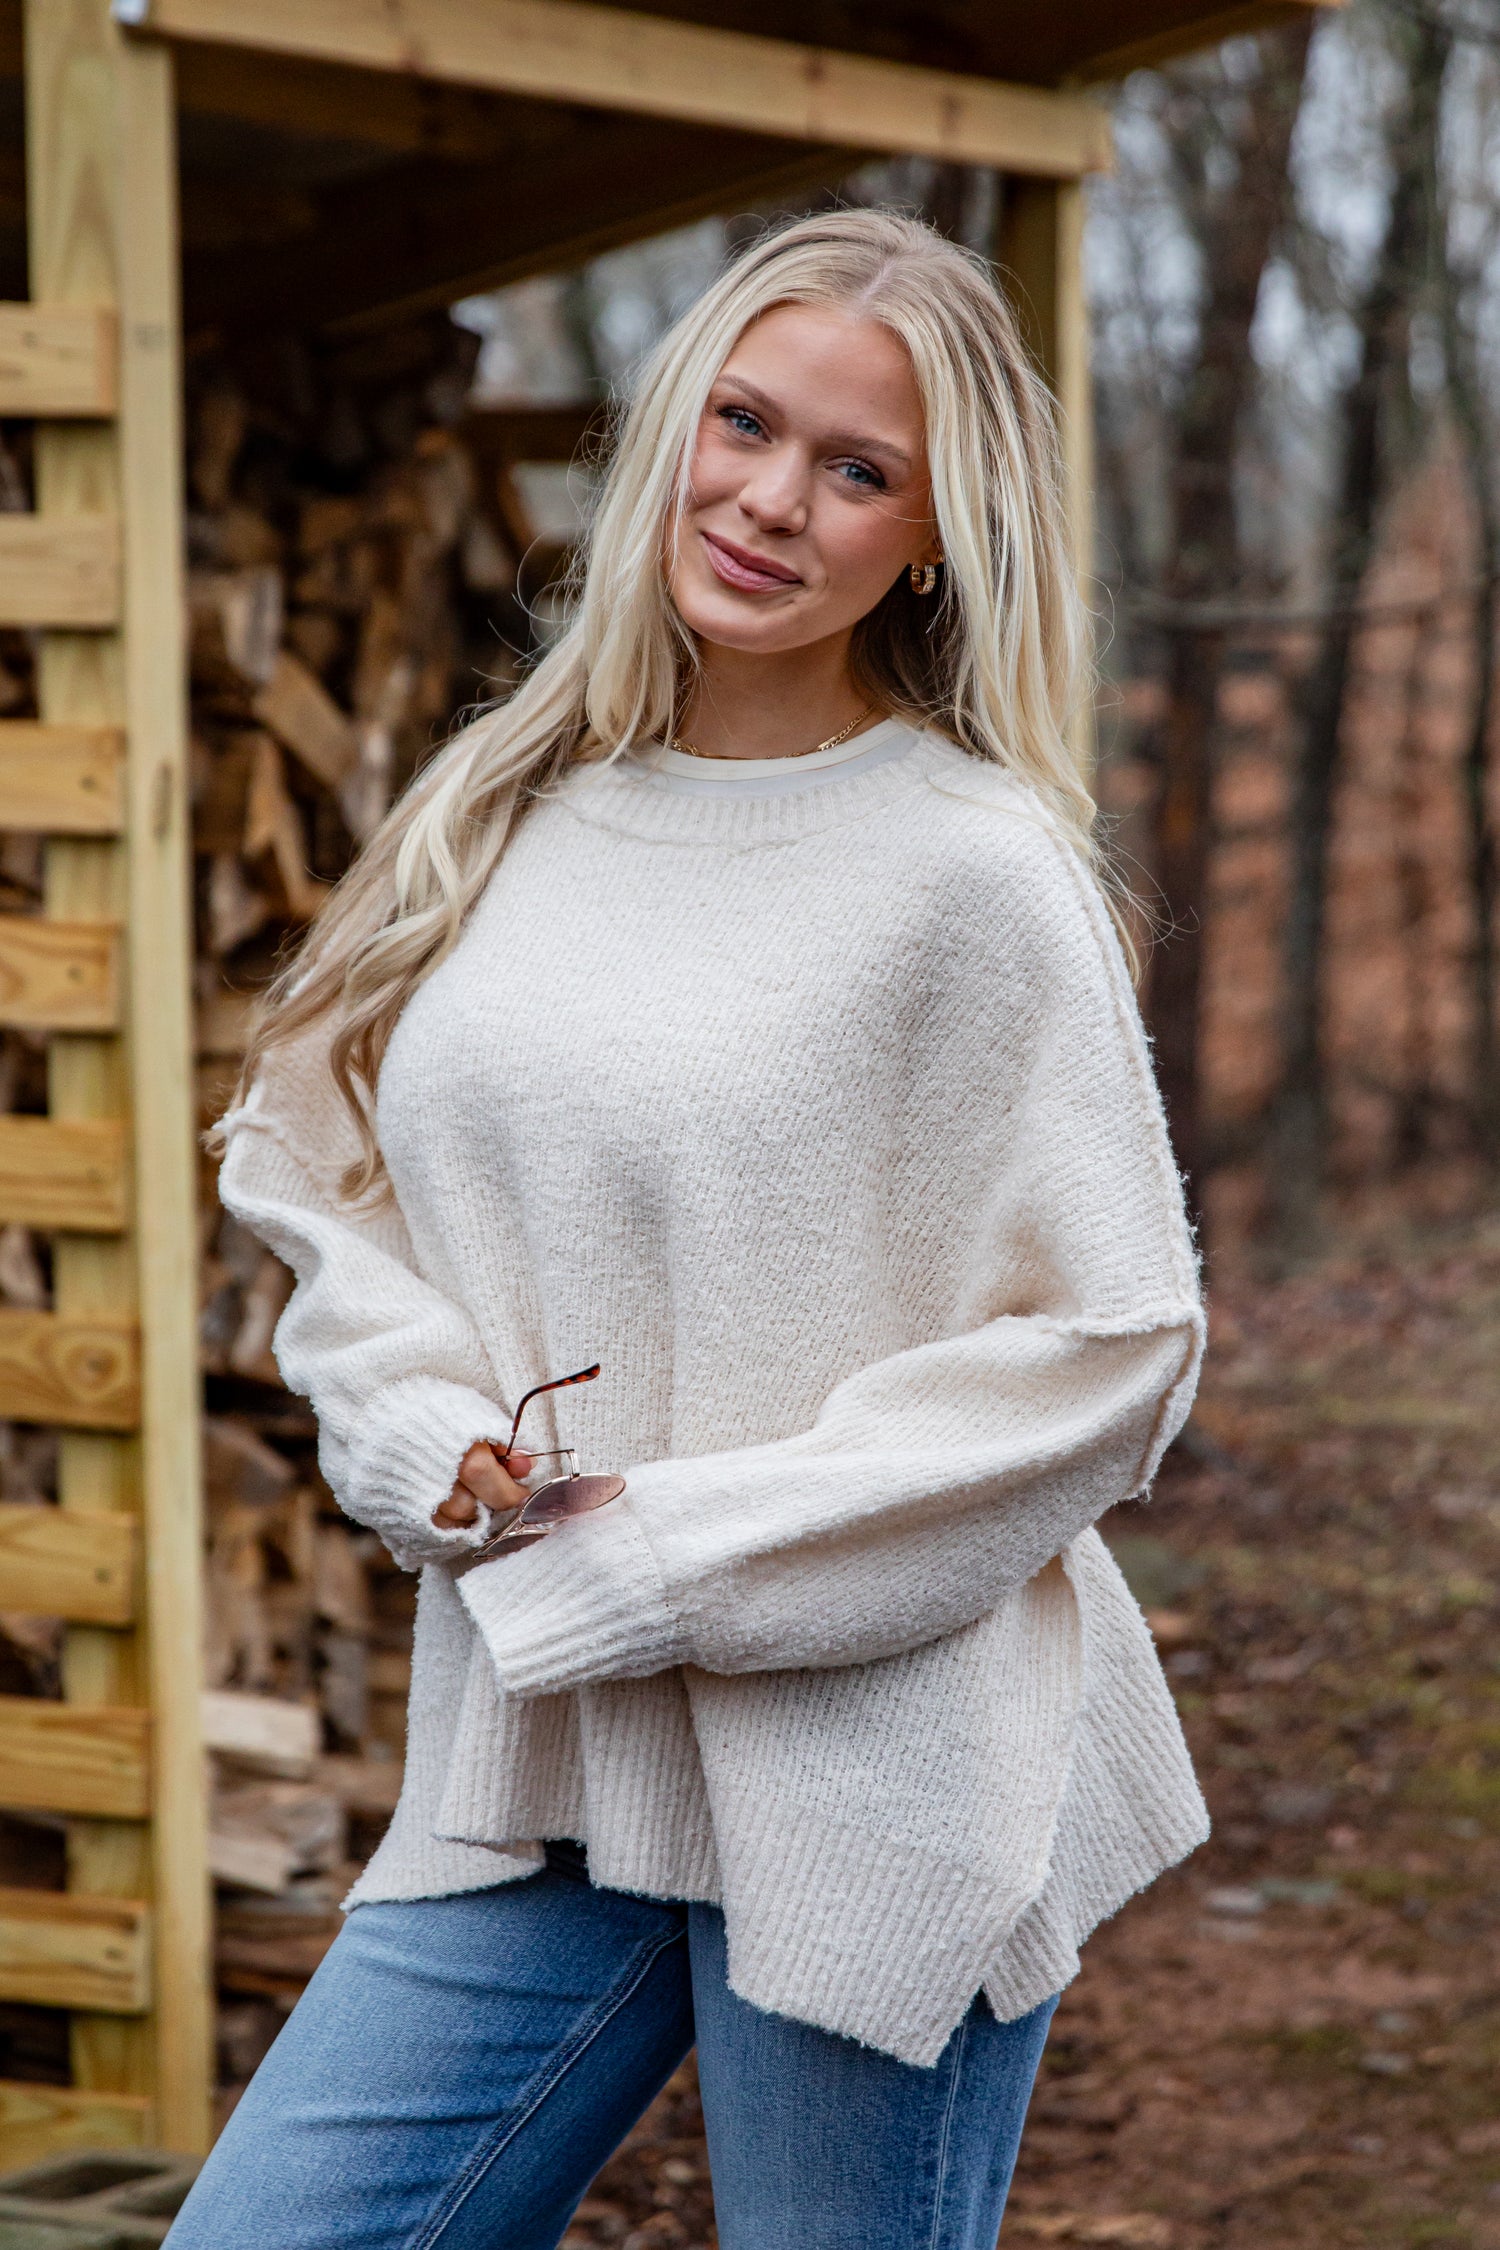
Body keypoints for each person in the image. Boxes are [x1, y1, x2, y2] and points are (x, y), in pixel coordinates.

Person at [167, 208, 1207, 2250]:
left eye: (855, 469)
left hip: (873, 1775)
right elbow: (320, 1167)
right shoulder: (516, 799)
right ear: (672, 429)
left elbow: (1107, 1354)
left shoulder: (974, 873)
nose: (768, 501)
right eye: (744, 422)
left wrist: (649, 1564)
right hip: (545, 1761)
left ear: (930, 536)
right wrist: (413, 1427)